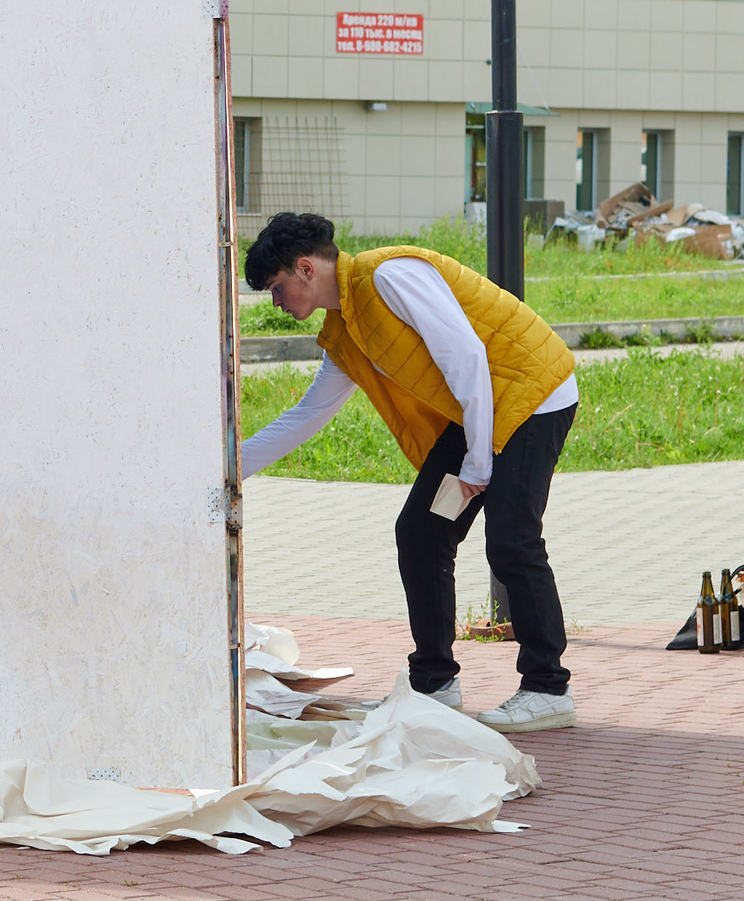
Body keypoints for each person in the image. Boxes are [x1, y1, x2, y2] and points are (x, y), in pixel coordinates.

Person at [239, 211, 581, 732]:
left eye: (277, 287)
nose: (277, 302)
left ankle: (547, 688)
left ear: (305, 269)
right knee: (421, 534)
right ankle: (433, 685)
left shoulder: (388, 276)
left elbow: (466, 355)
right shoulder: (344, 335)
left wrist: (475, 463)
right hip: (477, 414)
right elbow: (305, 417)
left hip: (532, 395)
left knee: (511, 539)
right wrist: (227, 469)